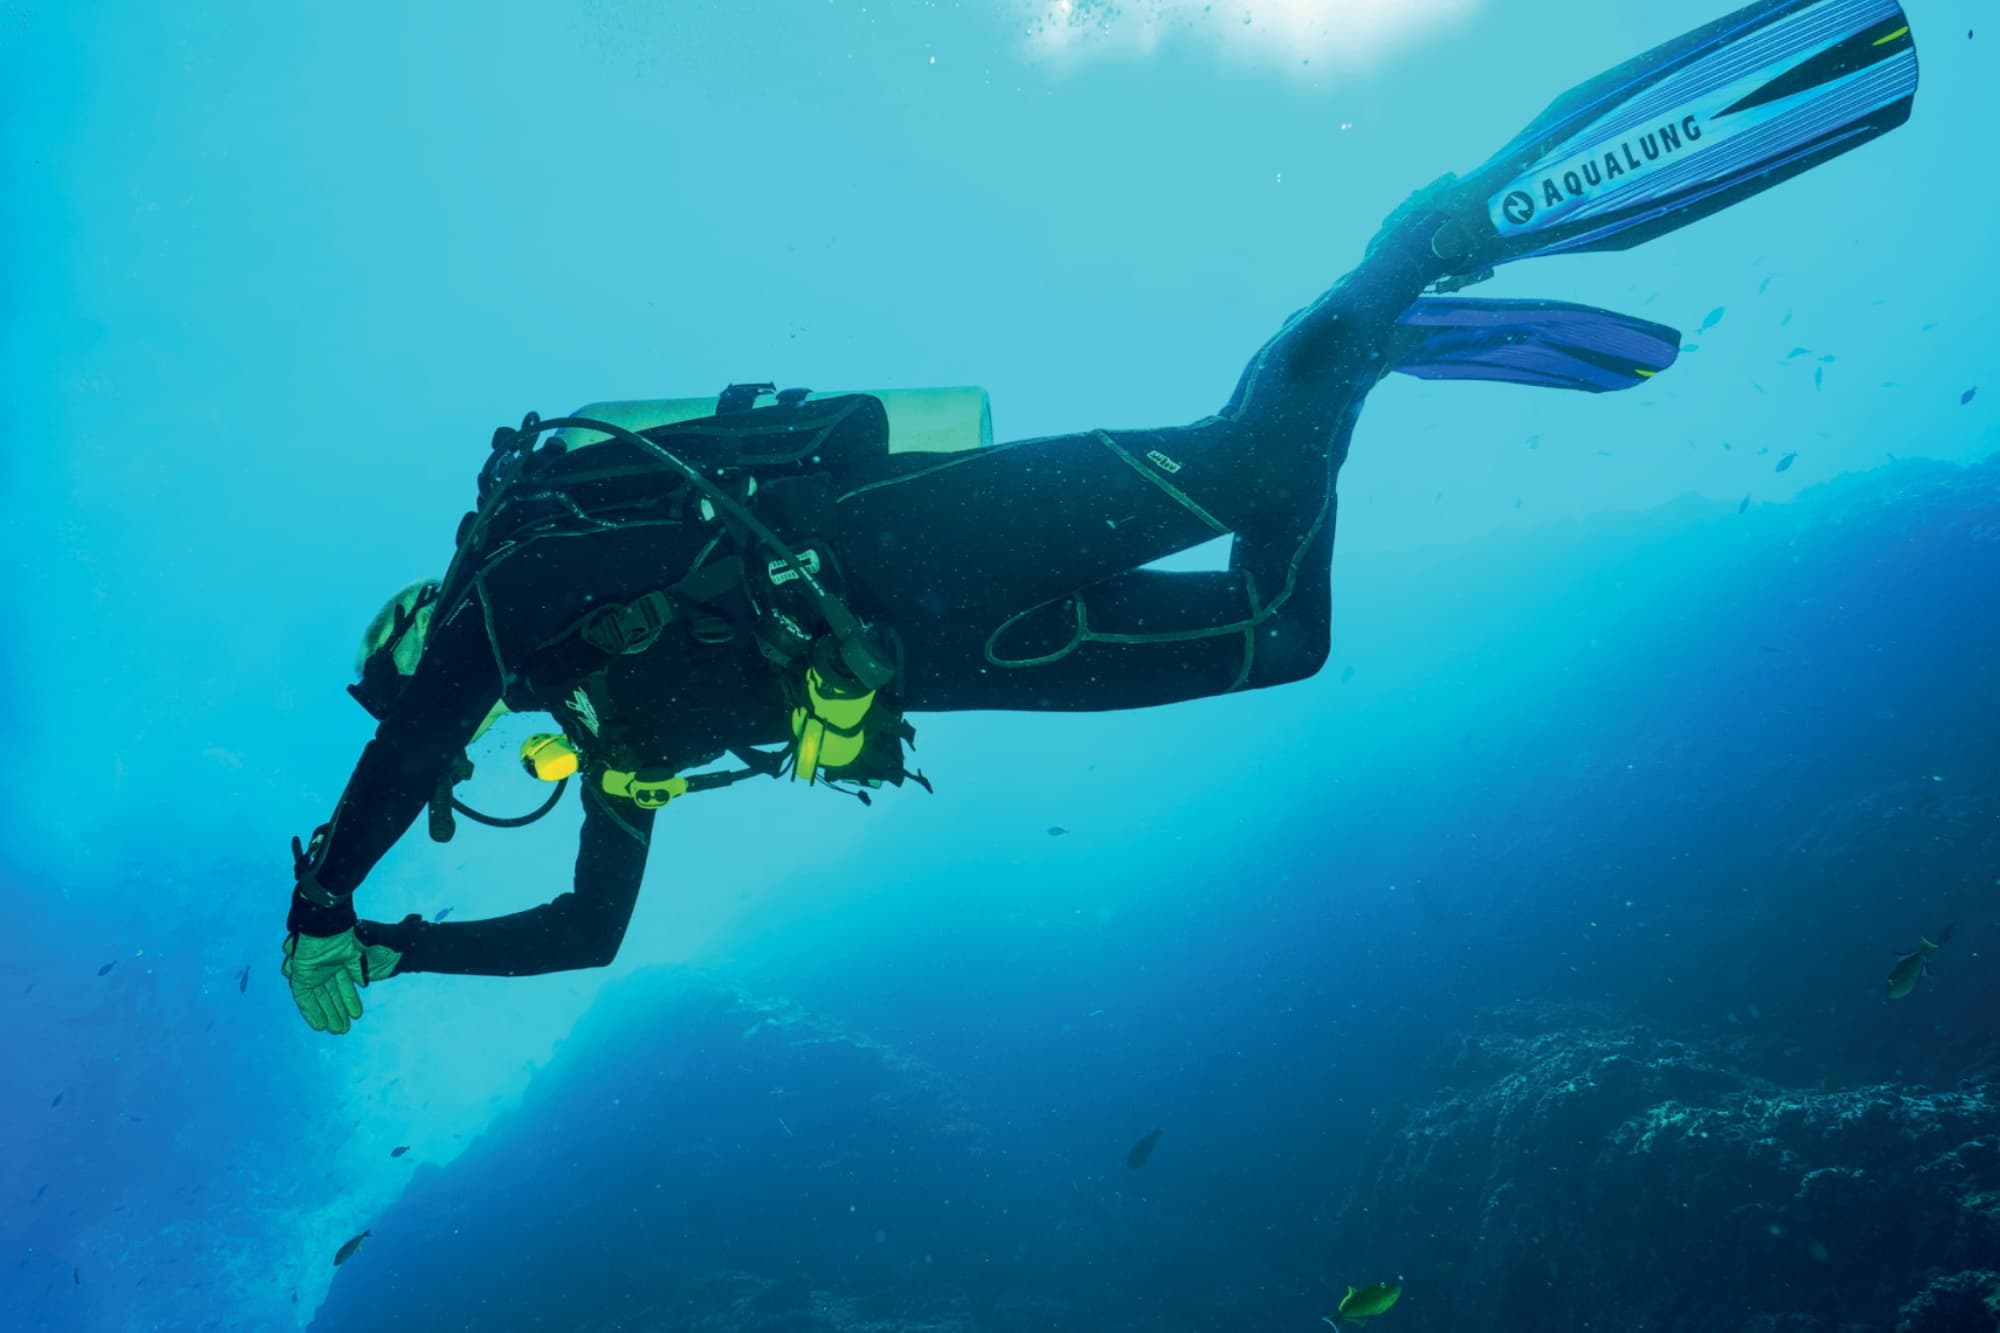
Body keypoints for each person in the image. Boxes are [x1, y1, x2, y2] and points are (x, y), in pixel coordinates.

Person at [282, 0, 1919, 1033]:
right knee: (1288, 638)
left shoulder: (527, 562)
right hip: (954, 662)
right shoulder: (610, 718)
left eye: (408, 653)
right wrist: (404, 951)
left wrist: (320, 902)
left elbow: (438, 702)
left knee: (1251, 464)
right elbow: (588, 934)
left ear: (423, 613)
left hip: (918, 533)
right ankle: (1356, 368)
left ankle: (1413, 251)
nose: (458, 707)